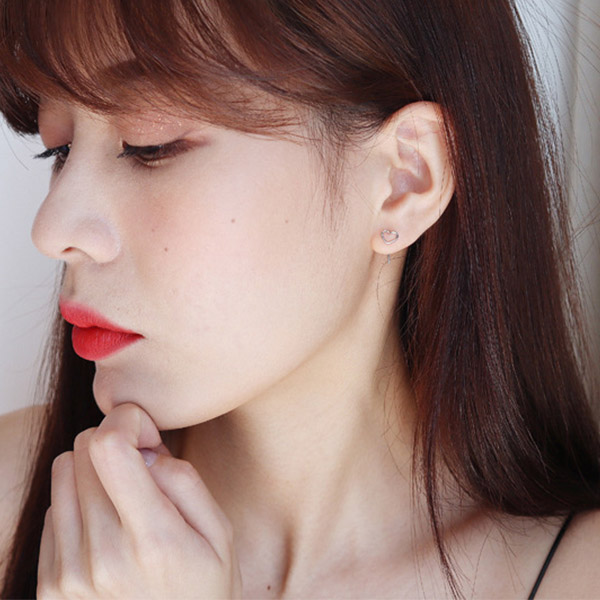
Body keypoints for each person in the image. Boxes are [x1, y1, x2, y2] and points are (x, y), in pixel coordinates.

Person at [0, 0, 599, 598]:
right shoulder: (14, 494)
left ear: (404, 180)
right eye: (59, 150)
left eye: (147, 144)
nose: (51, 229)